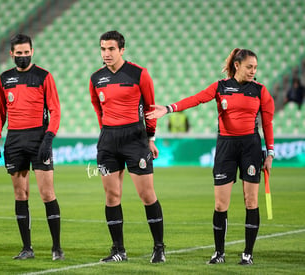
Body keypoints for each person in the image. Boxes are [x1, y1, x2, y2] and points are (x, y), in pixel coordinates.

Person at [146, 48, 275, 265]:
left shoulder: (260, 90)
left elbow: (268, 123)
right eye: (249, 67)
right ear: (237, 65)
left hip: (251, 147)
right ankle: (219, 253)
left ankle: (248, 253)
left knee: (250, 201)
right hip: (226, 146)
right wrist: (169, 109)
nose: (253, 71)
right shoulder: (221, 87)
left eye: (255, 67)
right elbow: (196, 99)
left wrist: (270, 153)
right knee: (219, 205)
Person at [89, 30, 165, 264]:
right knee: (112, 196)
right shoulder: (96, 78)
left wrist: (150, 138)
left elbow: (150, 106)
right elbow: (97, 107)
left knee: (146, 194)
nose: (106, 53)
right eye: (103, 49)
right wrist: (107, 132)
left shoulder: (139, 74)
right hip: (108, 140)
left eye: (111, 49)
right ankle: (118, 250)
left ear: (122, 50)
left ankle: (159, 248)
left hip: (135, 139)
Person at [0, 34, 64, 261]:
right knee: (20, 194)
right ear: (11, 54)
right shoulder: (4, 79)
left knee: (46, 193)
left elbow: (55, 110)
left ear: (32, 51)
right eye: (19, 53)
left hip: (38, 138)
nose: (23, 56)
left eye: (26, 52)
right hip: (14, 140)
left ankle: (56, 247)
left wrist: (49, 137)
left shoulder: (43, 76)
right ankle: (27, 248)